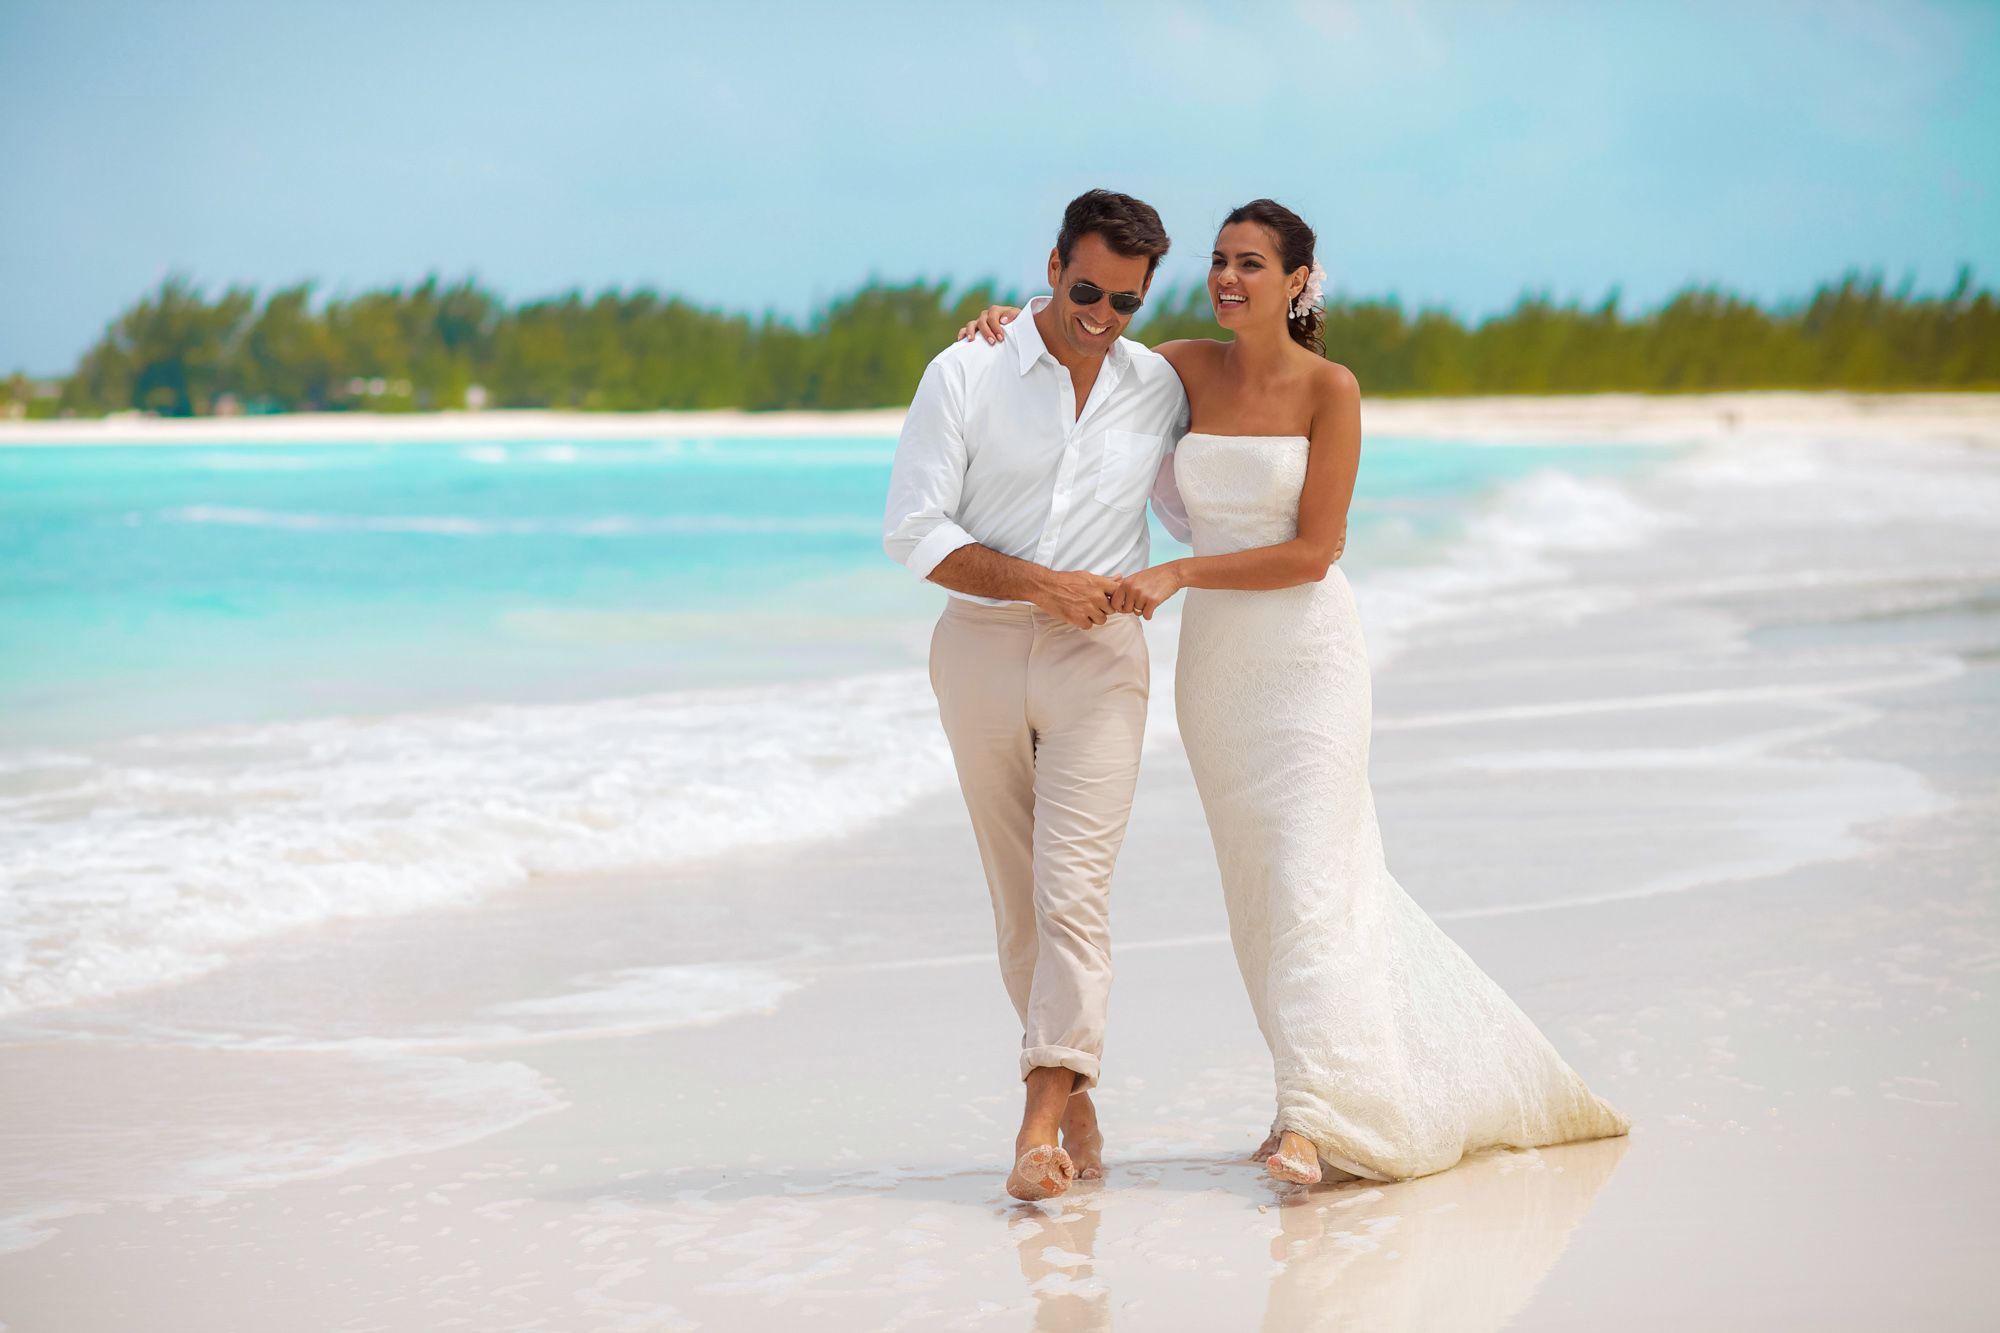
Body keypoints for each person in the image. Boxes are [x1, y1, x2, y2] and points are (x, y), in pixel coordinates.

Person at [957, 198, 1629, 1184]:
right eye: (1220, 261)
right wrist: (1001, 320)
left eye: (1251, 264)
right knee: (1260, 892)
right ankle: (1296, 1099)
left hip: (1307, 659)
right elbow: (1079, 333)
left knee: (1313, 872)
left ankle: (1319, 1121)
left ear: (1296, 282)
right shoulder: (1181, 366)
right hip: (1217, 670)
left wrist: (1178, 574)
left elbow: (1315, 552)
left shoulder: (1331, 388)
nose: (1228, 278)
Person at [883, 189, 1192, 1201]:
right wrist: (1033, 582)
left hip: (1098, 660)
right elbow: (912, 531)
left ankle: (1036, 1126)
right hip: (976, 648)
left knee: (1072, 897)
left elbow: (1208, 490)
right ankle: (1076, 1094)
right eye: (1088, 288)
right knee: (1018, 904)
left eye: (1128, 301)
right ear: (1053, 263)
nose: (1102, 315)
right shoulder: (966, 367)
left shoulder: (1156, 386)